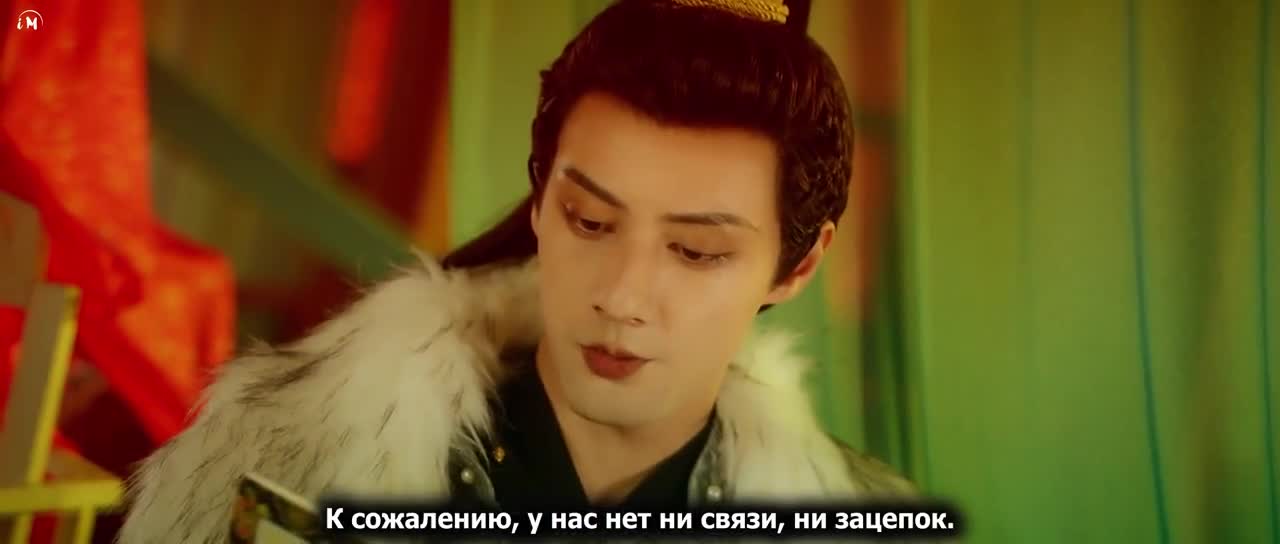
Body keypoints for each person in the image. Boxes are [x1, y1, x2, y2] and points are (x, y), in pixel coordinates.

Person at [118, 0, 915, 541]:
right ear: (539, 205)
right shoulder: (283, 460)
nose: (622, 296)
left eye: (697, 252)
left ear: (797, 266)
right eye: (589, 221)